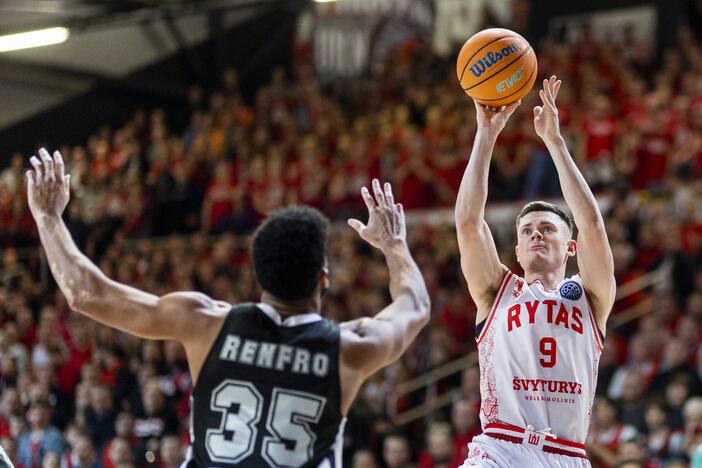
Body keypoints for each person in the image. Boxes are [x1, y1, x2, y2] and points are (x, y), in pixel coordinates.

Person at [26, 149, 431, 468]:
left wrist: (47, 217)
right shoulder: (349, 346)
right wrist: (394, 245)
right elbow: (415, 304)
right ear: (323, 277)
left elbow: (85, 294)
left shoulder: (207, 322)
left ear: (256, 276)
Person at [455, 76, 616, 466]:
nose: (535, 235)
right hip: (501, 446)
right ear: (517, 248)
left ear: (570, 247)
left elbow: (593, 224)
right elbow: (468, 222)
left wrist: (556, 144)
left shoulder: (591, 296)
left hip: (565, 454)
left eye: (547, 228)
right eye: (526, 231)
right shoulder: (497, 290)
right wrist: (486, 135)